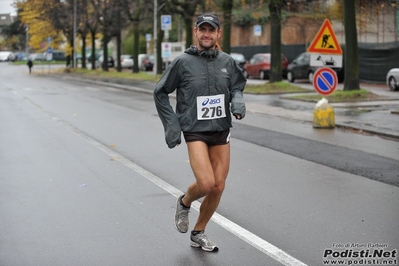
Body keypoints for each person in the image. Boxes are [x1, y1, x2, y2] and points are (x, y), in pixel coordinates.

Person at [153, 14, 246, 252]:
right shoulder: (182, 62)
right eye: (202, 29)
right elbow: (160, 92)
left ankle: (198, 232)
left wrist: (237, 100)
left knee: (218, 186)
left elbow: (237, 84)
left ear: (218, 34)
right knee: (205, 183)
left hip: (221, 129)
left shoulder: (227, 61)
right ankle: (184, 202)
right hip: (195, 129)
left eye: (211, 30)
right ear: (196, 32)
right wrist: (172, 125)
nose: (207, 34)